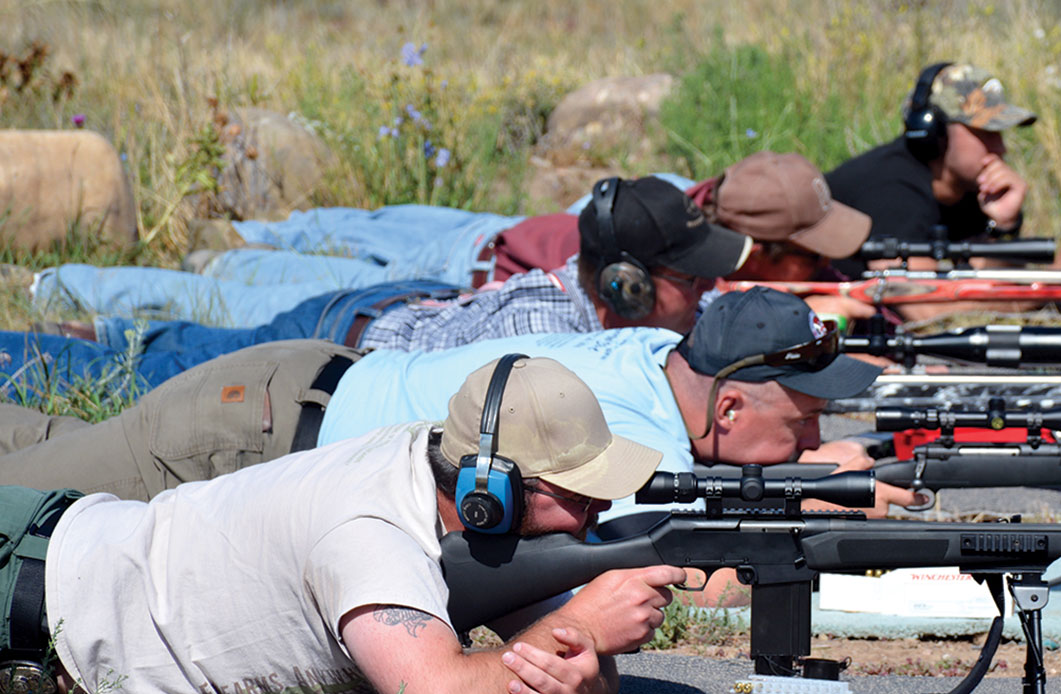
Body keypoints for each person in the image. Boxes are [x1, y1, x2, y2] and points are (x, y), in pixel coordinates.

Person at [0, 289, 919, 603]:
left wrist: (802, 473)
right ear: (727, 412)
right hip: (253, 432)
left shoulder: (662, 361)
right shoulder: (626, 426)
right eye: (802, 419)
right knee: (24, 509)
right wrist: (810, 496)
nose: (816, 434)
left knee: (47, 457)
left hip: (293, 400)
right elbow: (675, 566)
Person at [0, 356, 688, 694]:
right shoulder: (369, 528)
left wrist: (585, 680)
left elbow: (556, 659)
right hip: (21, 586)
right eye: (578, 494)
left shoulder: (463, 495)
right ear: (491, 492)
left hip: (49, 573)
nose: (599, 511)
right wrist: (591, 631)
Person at [0, 176, 749, 399]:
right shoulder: (544, 347)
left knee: (181, 345)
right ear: (625, 286)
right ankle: (30, 346)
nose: (709, 287)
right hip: (338, 344)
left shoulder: (607, 315)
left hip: (388, 314)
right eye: (694, 277)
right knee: (158, 375)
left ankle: (83, 332)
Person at [825, 63, 1061, 319]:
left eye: (1000, 133)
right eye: (985, 132)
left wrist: (1000, 225)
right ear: (934, 133)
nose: (1000, 148)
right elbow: (927, 310)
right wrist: (1053, 282)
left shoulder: (965, 189)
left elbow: (980, 281)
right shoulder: (891, 191)